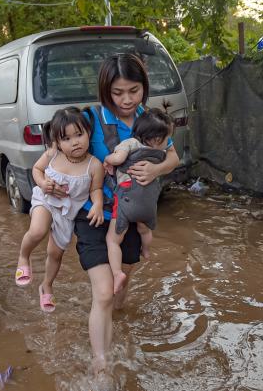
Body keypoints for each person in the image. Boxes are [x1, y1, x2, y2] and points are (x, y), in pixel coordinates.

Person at [63, 53, 180, 373]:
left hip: (133, 215)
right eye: (118, 93)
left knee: (122, 281)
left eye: (134, 90)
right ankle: (101, 364)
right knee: (102, 292)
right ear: (105, 91)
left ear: (144, 88)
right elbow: (55, 152)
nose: (127, 100)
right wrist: (46, 184)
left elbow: (173, 158)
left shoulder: (150, 118)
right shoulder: (88, 119)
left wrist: (156, 171)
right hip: (94, 214)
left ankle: (116, 316)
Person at [15, 107, 105, 313]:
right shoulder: (53, 154)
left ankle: (46, 285)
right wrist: (43, 182)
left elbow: (96, 189)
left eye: (79, 134)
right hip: (46, 200)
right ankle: (23, 257)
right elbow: (36, 170)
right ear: (57, 140)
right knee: (38, 230)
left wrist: (98, 205)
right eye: (66, 138)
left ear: (88, 133)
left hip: (67, 212)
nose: (75, 142)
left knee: (55, 253)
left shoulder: (94, 165)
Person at [103, 108, 174, 294]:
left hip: (127, 201)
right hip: (148, 205)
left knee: (113, 240)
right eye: (167, 139)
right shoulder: (160, 155)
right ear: (156, 140)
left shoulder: (130, 143)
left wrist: (108, 159)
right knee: (144, 229)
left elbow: (118, 158)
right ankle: (147, 250)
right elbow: (173, 160)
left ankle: (117, 273)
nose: (167, 143)